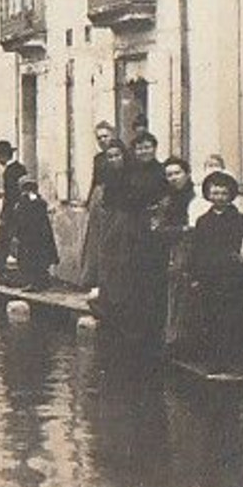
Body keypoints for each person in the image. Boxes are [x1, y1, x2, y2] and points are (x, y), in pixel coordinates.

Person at [186, 169, 243, 373]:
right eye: (215, 193)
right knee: (210, 318)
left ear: (230, 195)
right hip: (209, 278)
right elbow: (196, 250)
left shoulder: (238, 219)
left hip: (232, 277)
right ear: (208, 194)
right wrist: (194, 276)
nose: (219, 198)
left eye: (223, 193)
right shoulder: (203, 221)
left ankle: (240, 362)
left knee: (234, 319)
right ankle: (216, 361)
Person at [95, 131, 170, 346]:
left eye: (147, 147)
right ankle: (131, 325)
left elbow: (164, 199)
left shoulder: (161, 171)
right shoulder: (132, 172)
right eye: (139, 148)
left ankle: (152, 329)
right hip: (132, 229)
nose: (143, 151)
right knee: (130, 273)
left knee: (151, 276)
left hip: (151, 230)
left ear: (154, 148)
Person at [154, 157, 196, 354]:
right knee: (172, 293)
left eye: (177, 173)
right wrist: (181, 229)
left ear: (186, 174)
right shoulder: (166, 199)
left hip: (192, 250)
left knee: (188, 294)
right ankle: (172, 339)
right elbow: (159, 228)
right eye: (169, 174)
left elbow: (197, 226)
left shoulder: (195, 197)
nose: (173, 178)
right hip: (169, 249)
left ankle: (186, 340)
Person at [78, 120, 118, 289]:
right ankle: (93, 279)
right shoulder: (98, 158)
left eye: (105, 136)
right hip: (98, 198)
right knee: (95, 238)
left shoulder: (119, 154)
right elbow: (95, 180)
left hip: (114, 198)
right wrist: (89, 200)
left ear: (113, 135)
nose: (102, 140)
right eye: (99, 138)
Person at [5, 177, 59, 290]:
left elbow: (21, 217)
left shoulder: (27, 201)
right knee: (39, 259)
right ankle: (41, 282)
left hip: (31, 236)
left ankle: (35, 283)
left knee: (31, 259)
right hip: (39, 235)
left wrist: (16, 233)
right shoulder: (36, 200)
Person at [0, 140, 28, 280]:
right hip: (19, 209)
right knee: (20, 241)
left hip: (12, 210)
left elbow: (13, 194)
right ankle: (23, 273)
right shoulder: (20, 168)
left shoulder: (10, 171)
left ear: (3, 156)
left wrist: (7, 210)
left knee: (3, 241)